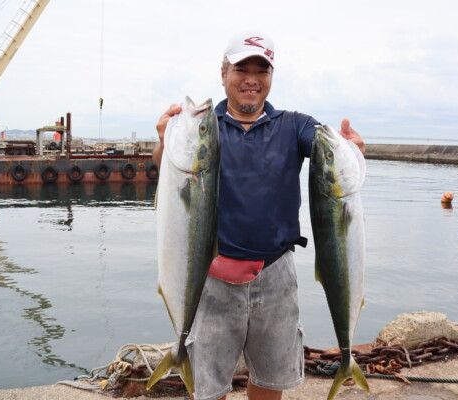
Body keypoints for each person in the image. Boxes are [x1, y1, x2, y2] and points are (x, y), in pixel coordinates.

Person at [152, 32, 364, 400]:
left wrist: (352, 150)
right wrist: (164, 142)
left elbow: (327, 153)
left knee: (270, 379)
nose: (251, 79)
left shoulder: (294, 125)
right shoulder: (205, 127)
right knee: (208, 386)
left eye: (261, 71)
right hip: (213, 275)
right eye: (241, 69)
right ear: (223, 75)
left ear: (270, 77)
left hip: (276, 272)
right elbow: (170, 171)